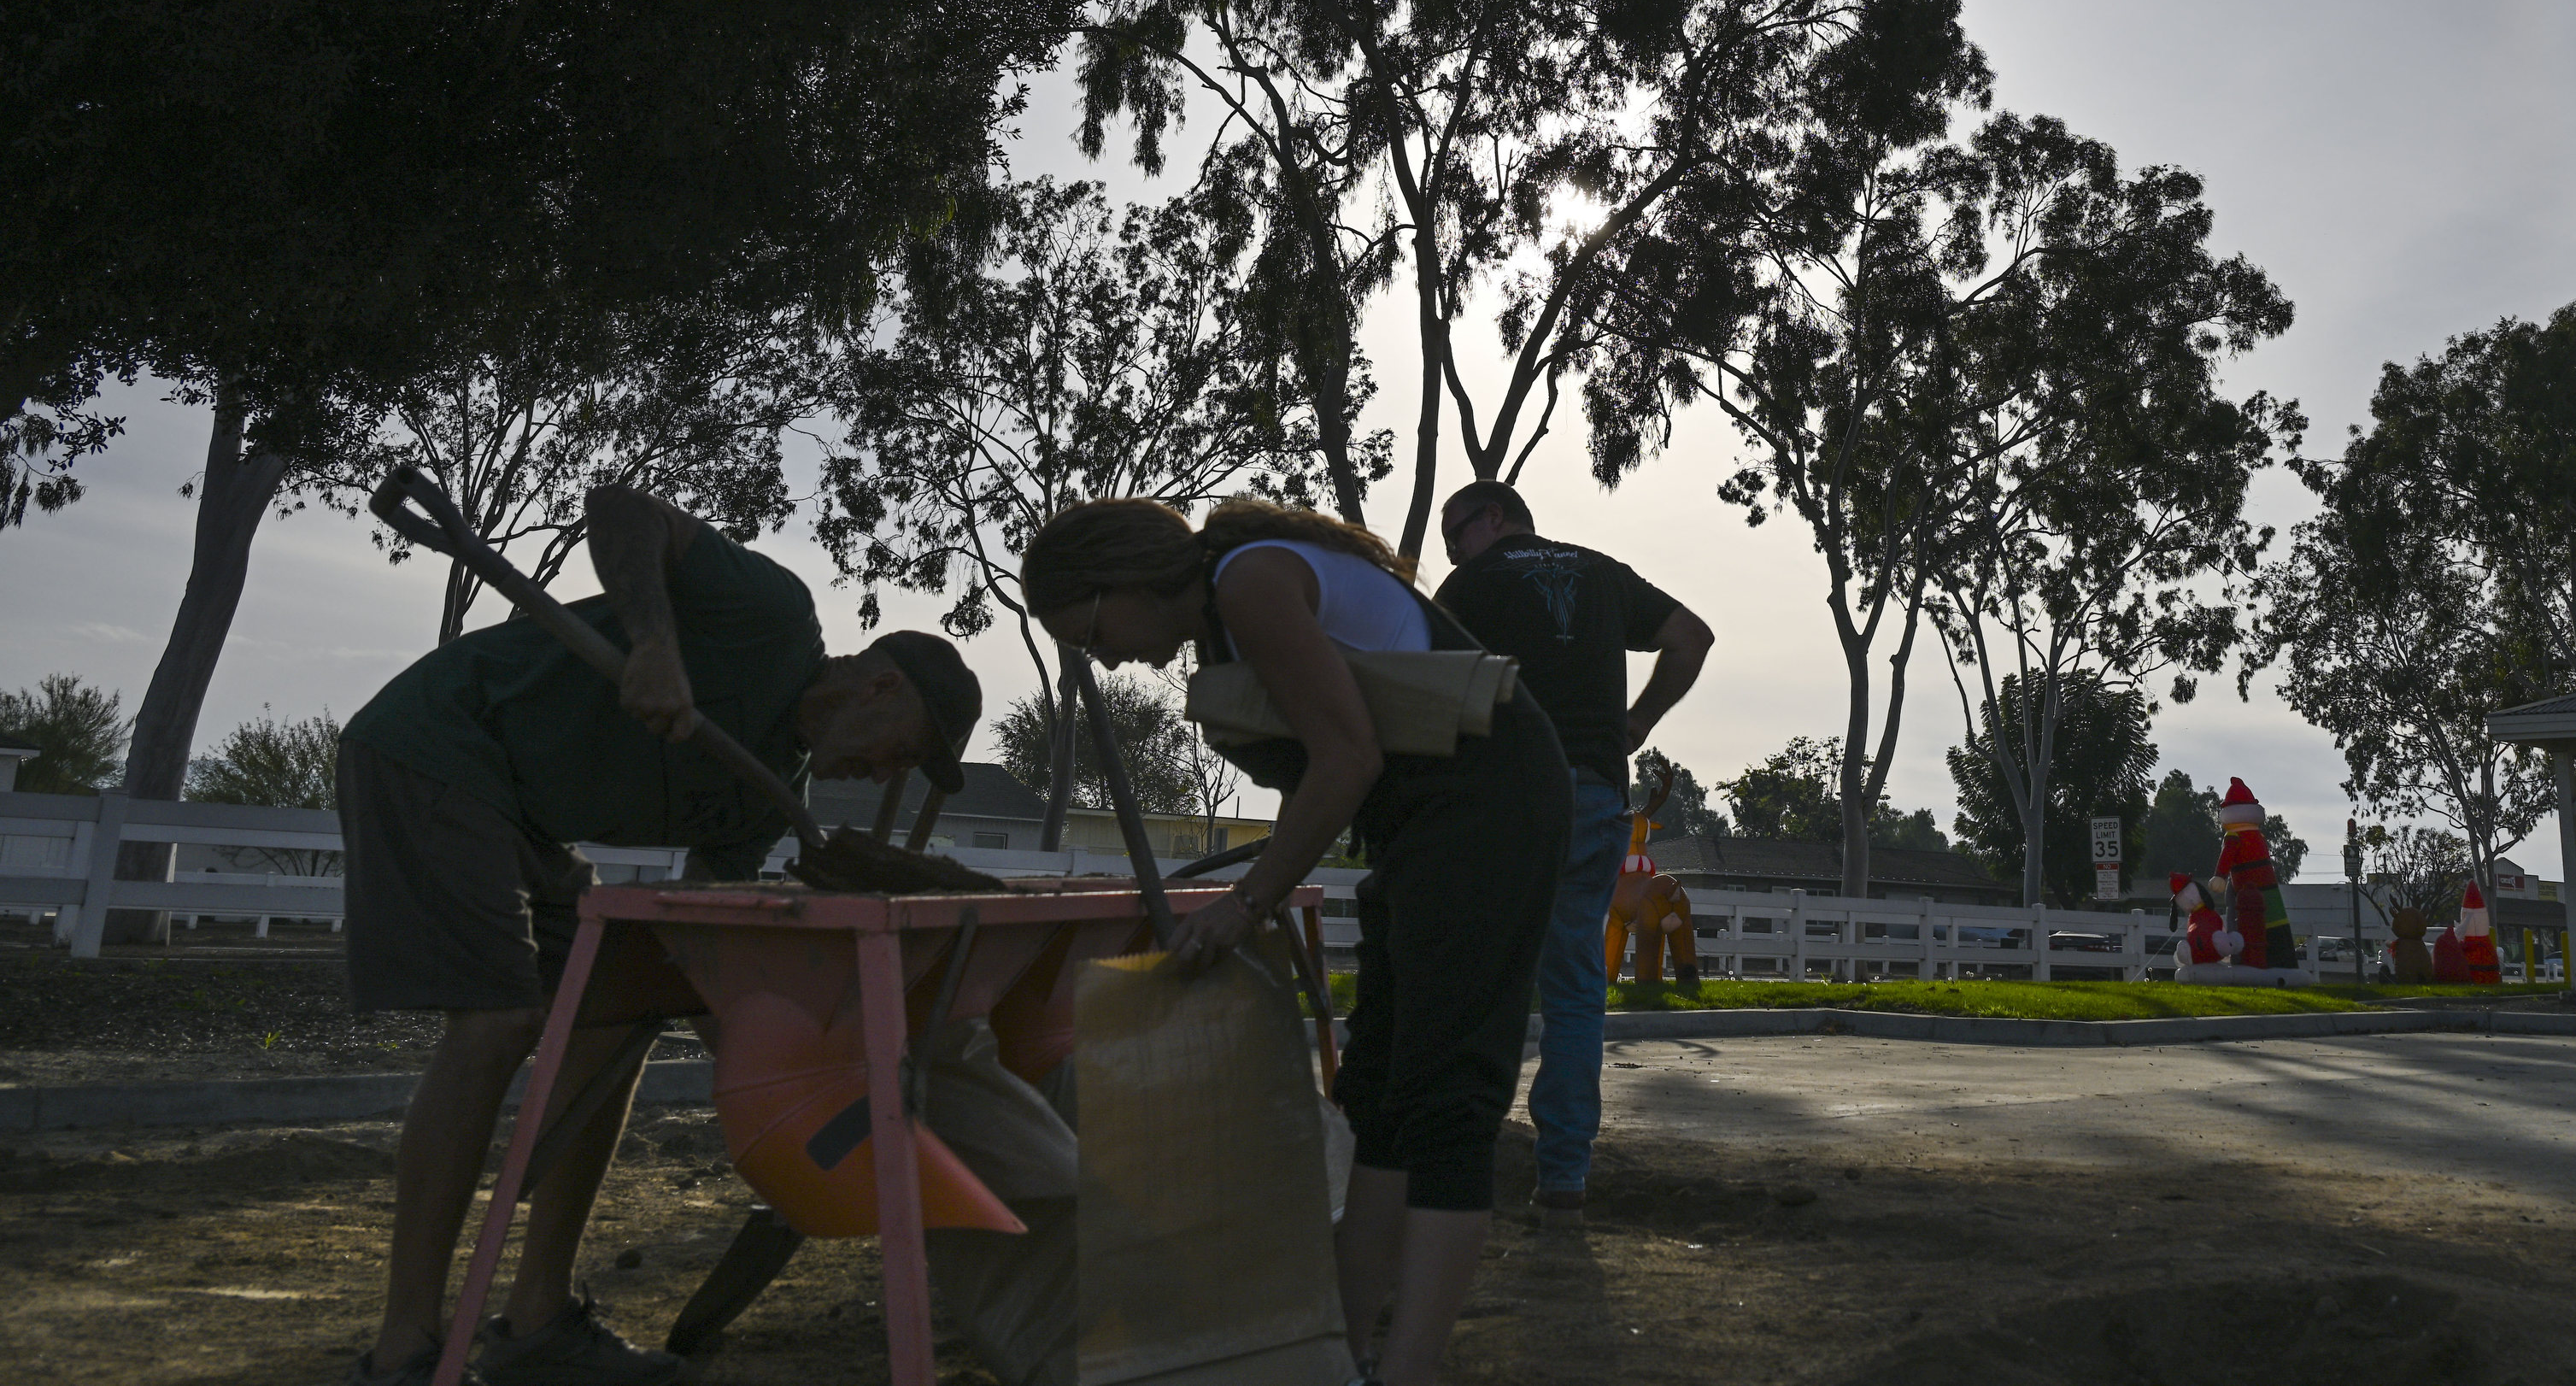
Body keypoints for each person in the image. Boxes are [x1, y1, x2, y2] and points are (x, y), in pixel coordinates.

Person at [337, 484, 980, 1386]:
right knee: (494, 1023)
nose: (886, 773)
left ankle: (537, 1320)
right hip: (438, 744)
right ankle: (404, 1346)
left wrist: (813, 1081)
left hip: (524, 811)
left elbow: (705, 949)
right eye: (902, 751)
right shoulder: (769, 617)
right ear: (877, 686)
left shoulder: (766, 790)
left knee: (616, 1018)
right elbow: (620, 507)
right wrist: (654, 644)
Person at [1021, 496, 1565, 1386]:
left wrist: (1248, 901)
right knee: (1380, 1088)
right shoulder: (1225, 618)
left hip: (1488, 809)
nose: (1107, 656)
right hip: (1421, 825)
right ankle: (1338, 1351)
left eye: (1089, 630)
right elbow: (1330, 761)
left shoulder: (1250, 580)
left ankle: (1408, 1366)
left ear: (1118, 577)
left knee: (1445, 1095)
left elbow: (1347, 756)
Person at [1433, 479, 1712, 1226]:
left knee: (1476, 972)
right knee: (1576, 982)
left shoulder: (1474, 582)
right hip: (1593, 797)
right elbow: (1693, 636)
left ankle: (1453, 1162)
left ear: (1492, 518)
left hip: (1509, 792)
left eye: (1453, 533)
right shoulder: (1604, 573)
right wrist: (1636, 722)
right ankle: (1563, 1177)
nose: (1450, 550)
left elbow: (1432, 682)